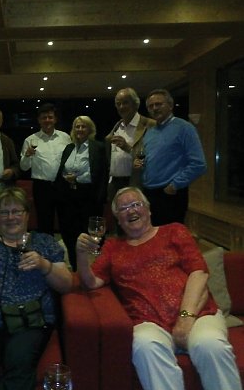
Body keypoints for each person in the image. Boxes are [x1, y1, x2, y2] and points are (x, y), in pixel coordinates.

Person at [76, 186, 241, 390]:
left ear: (148, 209)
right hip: (148, 322)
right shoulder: (113, 247)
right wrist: (81, 255)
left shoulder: (174, 231)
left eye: (136, 204)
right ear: (118, 219)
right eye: (123, 208)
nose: (131, 210)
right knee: (144, 345)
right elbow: (91, 282)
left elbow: (198, 273)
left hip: (198, 314)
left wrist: (185, 318)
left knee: (210, 344)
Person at [0, 187, 72, 390]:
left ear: (27, 214)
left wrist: (44, 265)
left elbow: (66, 284)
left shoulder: (45, 243)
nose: (10, 217)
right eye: (4, 212)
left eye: (16, 211)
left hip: (29, 321)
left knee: (19, 362)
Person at [140, 88, 207, 225]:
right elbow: (151, 159)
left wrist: (175, 185)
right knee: (151, 236)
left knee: (170, 236)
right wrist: (141, 163)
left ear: (170, 105)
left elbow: (199, 164)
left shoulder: (184, 128)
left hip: (170, 195)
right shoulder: (150, 132)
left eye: (158, 104)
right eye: (151, 106)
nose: (154, 108)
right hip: (149, 193)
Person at [55, 115, 107, 271]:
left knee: (89, 236)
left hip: (88, 198)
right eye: (77, 126)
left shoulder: (98, 147)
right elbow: (62, 170)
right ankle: (75, 267)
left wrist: (76, 179)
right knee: (70, 235)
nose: (80, 129)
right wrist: (66, 179)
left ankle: (94, 269)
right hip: (68, 198)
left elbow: (99, 173)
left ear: (90, 129)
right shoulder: (69, 148)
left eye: (83, 126)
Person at [20, 103, 72, 236]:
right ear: (39, 120)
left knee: (66, 221)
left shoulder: (65, 137)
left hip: (62, 184)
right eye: (44, 117)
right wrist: (27, 155)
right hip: (42, 187)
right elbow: (23, 167)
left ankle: (68, 248)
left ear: (55, 119)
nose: (47, 120)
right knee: (44, 224)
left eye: (50, 117)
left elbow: (72, 160)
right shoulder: (30, 140)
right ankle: (46, 249)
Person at [105, 87, 156, 198]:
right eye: (118, 104)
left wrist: (127, 147)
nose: (121, 107)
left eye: (125, 103)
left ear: (135, 104)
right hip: (115, 183)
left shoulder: (150, 125)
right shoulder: (118, 126)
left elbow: (154, 157)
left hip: (135, 183)